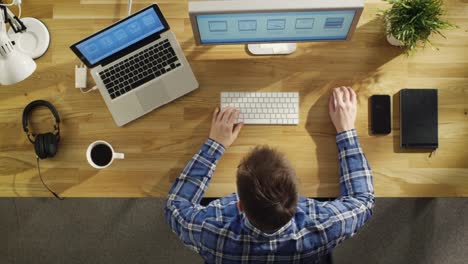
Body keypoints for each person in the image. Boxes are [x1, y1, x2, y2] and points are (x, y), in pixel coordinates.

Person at [165, 87, 374, 263]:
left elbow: (176, 206)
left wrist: (215, 144)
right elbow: (362, 201)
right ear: (298, 197)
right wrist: (346, 130)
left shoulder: (210, 232)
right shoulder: (325, 227)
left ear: (240, 205)